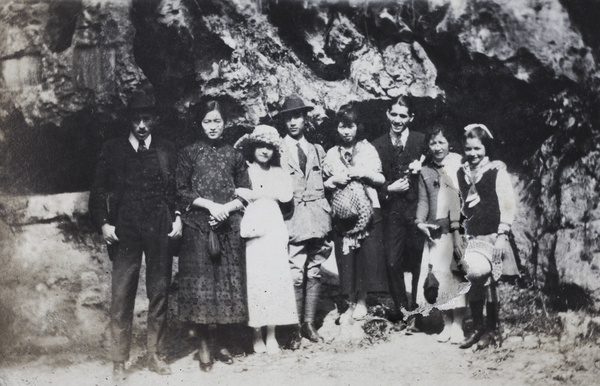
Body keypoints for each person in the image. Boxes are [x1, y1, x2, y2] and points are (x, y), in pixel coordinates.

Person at [88, 91, 182, 381]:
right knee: (122, 292)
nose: (141, 125)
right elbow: (98, 191)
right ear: (129, 120)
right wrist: (104, 223)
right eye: (136, 119)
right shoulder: (113, 148)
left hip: (159, 224)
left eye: (146, 119)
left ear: (154, 119)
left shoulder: (166, 149)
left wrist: (177, 216)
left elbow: (175, 188)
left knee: (159, 290)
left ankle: (154, 354)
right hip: (125, 226)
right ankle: (119, 359)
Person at [175, 99, 250, 371]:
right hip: (198, 228)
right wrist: (211, 206)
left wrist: (227, 209)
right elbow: (181, 190)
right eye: (207, 121)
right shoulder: (189, 153)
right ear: (200, 123)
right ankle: (204, 344)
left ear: (225, 123)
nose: (213, 126)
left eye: (217, 120)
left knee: (224, 286)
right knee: (203, 288)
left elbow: (245, 190)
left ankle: (220, 341)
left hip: (228, 227)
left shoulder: (234, 154)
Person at [234, 125, 299, 355]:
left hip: (273, 227)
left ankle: (272, 333)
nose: (264, 151)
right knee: (256, 280)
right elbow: (238, 192)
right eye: (260, 146)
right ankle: (256, 334)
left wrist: (275, 180)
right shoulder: (245, 170)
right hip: (254, 228)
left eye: (270, 147)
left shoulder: (278, 172)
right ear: (253, 148)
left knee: (275, 280)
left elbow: (286, 195)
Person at [456, 124, 519, 349]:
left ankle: (492, 331)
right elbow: (461, 205)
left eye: (477, 149)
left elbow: (507, 204)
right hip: (473, 236)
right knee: (474, 280)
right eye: (468, 149)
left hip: (493, 235)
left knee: (491, 283)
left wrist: (502, 235)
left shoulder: (495, 171)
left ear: (485, 148)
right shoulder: (460, 172)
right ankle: (478, 328)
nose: (473, 154)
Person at [322, 103, 387, 321]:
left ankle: (362, 301)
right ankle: (349, 303)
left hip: (368, 211)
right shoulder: (331, 154)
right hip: (344, 213)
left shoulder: (368, 149)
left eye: (350, 126)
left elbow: (381, 179)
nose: (346, 131)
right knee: (346, 259)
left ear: (358, 127)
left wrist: (363, 173)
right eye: (342, 126)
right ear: (336, 128)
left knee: (366, 257)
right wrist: (334, 180)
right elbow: (324, 183)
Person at [277, 95, 333, 348]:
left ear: (305, 118)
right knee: (294, 273)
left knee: (314, 270)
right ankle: (292, 327)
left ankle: (309, 323)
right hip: (292, 219)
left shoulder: (317, 150)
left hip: (318, 218)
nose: (293, 122)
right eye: (288, 117)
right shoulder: (277, 150)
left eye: (297, 116)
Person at [372, 95, 427, 325]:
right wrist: (388, 188)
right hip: (392, 212)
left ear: (411, 118)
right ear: (387, 114)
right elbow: (372, 180)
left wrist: (422, 166)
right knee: (393, 261)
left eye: (403, 115)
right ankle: (402, 309)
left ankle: (416, 311)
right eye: (393, 114)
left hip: (416, 210)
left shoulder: (421, 140)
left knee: (416, 262)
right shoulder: (377, 145)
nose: (397, 119)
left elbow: (442, 156)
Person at [414, 124, 467, 344]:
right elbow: (424, 200)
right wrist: (419, 221)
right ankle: (446, 324)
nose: (437, 147)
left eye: (441, 142)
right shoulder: (425, 172)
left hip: (456, 229)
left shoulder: (459, 165)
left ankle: (459, 325)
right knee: (441, 277)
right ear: (428, 145)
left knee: (457, 276)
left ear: (449, 144)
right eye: (433, 142)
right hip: (436, 232)